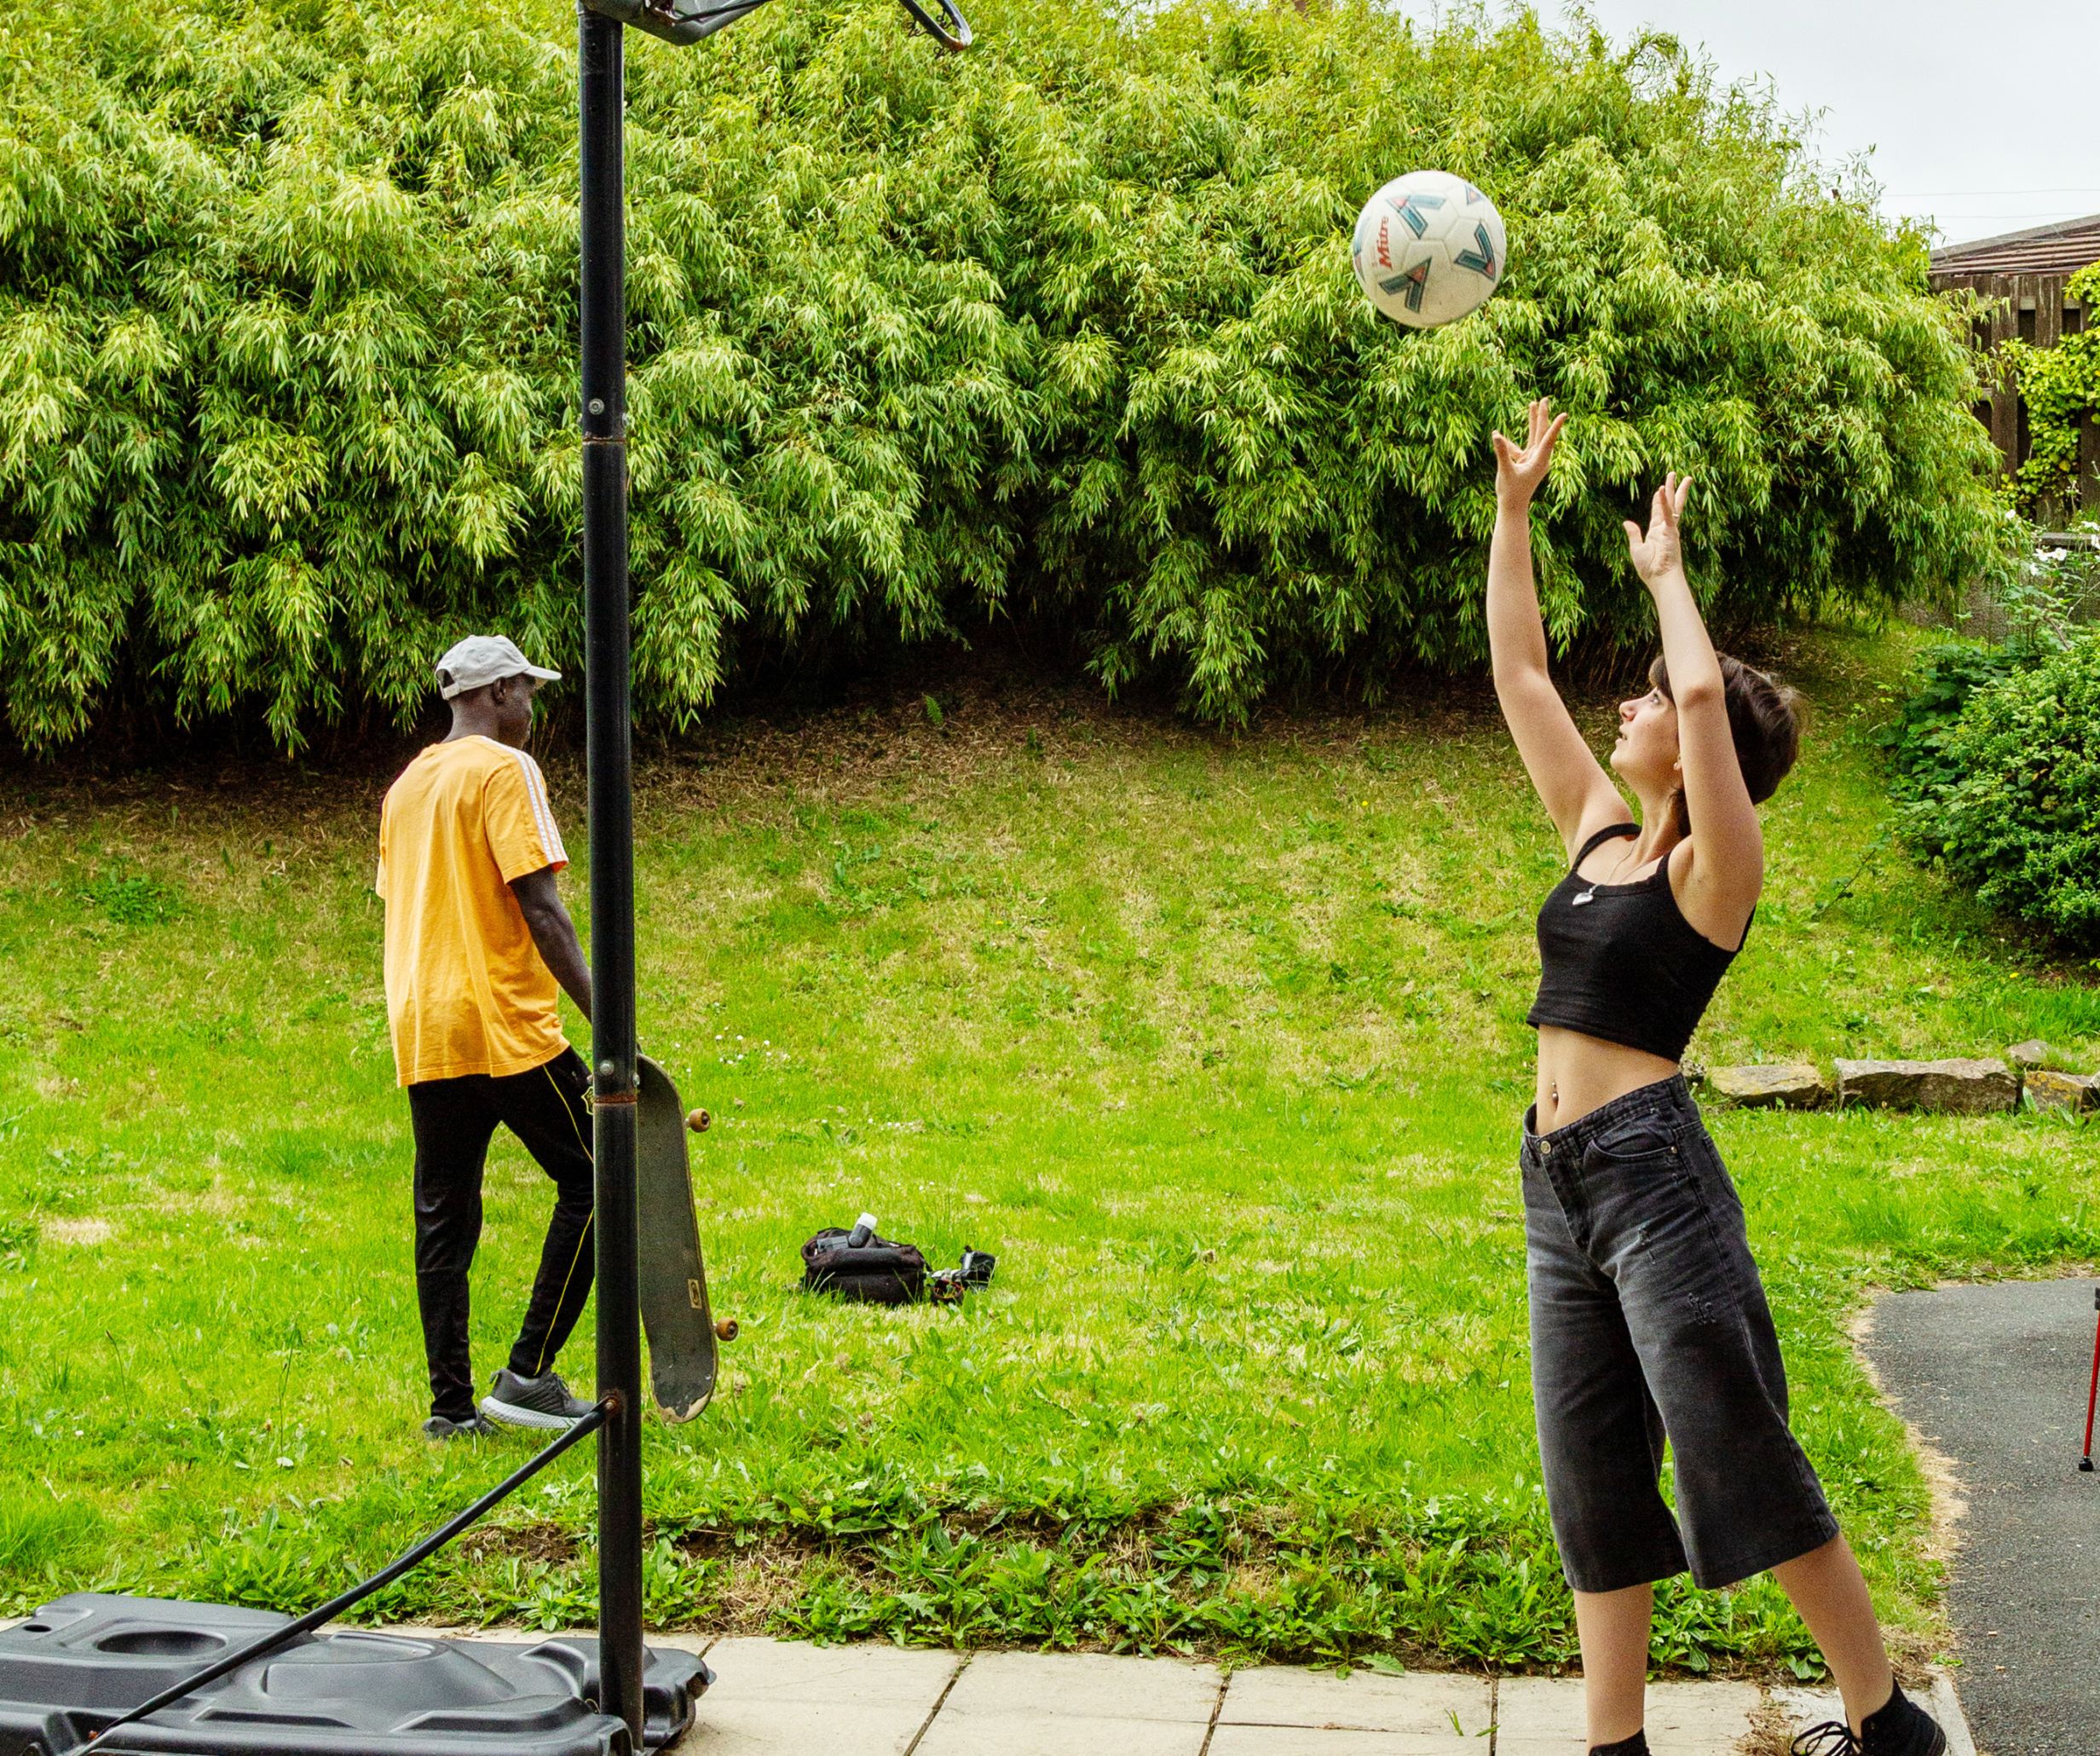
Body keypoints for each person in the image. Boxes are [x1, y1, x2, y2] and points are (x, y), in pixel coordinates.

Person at [1486, 401, 1944, 1756]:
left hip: (1654, 1182)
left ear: (1703, 752)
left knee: (1733, 1446)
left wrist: (1671, 578)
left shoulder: (1712, 872)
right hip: (1555, 1178)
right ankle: (1611, 1743)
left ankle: (1885, 1720)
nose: (1627, 704)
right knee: (1591, 1467)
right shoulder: (1600, 830)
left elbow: (1696, 694)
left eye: (1646, 698)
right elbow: (1519, 675)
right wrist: (1515, 512)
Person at [376, 634, 600, 1441]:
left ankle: (450, 1412)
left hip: (426, 1027)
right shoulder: (506, 772)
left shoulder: (407, 788)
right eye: (530, 694)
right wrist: (609, 1021)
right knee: (601, 1179)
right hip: (504, 1025)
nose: (534, 710)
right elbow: (540, 905)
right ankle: (529, 1375)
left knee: (443, 1217)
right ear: (500, 691)